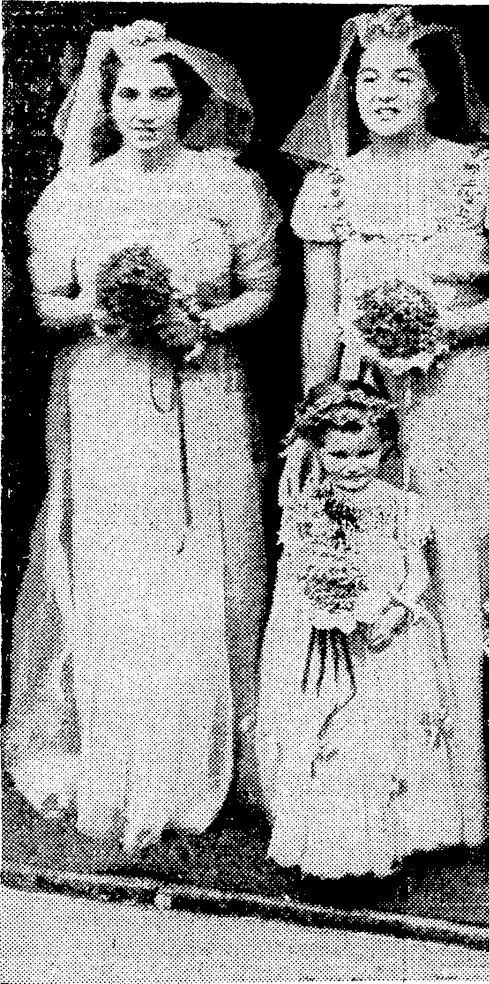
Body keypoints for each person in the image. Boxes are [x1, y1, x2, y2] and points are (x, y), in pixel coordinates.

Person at [4, 20, 280, 856]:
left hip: (203, 386)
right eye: (129, 93)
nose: (146, 110)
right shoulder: (76, 193)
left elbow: (260, 288)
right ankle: (122, 756)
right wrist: (102, 311)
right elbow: (47, 302)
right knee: (119, 562)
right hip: (107, 394)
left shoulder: (228, 185)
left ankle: (207, 756)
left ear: (187, 103)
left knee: (206, 559)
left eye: (163, 94)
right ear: (108, 103)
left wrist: (201, 324)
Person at [280, 5, 489, 846]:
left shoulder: (481, 173)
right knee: (373, 555)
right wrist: (316, 417)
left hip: (460, 390)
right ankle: (374, 789)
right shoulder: (331, 186)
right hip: (367, 397)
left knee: (457, 551)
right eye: (367, 78)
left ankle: (469, 789)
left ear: (433, 89)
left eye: (402, 77)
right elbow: (320, 311)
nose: (382, 93)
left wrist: (446, 326)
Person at [256, 381, 461, 878]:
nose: (351, 467)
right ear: (317, 450)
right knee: (326, 733)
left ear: (385, 449)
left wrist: (388, 612)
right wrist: (320, 602)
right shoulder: (307, 508)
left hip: (386, 639)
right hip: (325, 638)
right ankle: (323, 846)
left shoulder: (403, 506)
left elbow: (415, 572)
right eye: (338, 455)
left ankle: (377, 845)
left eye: (364, 454)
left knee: (375, 738)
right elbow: (296, 569)